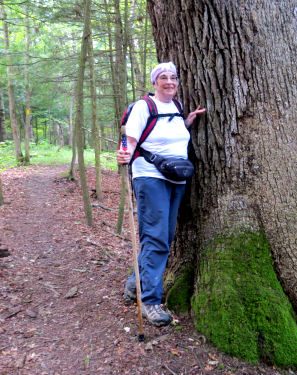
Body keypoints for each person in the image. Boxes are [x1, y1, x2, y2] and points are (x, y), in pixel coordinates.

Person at [117, 62, 205, 327]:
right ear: (155, 82)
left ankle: (135, 284)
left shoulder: (176, 108)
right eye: (163, 77)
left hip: (175, 178)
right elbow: (128, 139)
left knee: (163, 236)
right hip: (150, 177)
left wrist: (187, 121)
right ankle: (150, 302)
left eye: (173, 77)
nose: (169, 81)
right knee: (156, 237)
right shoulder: (144, 107)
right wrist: (123, 154)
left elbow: (169, 133)